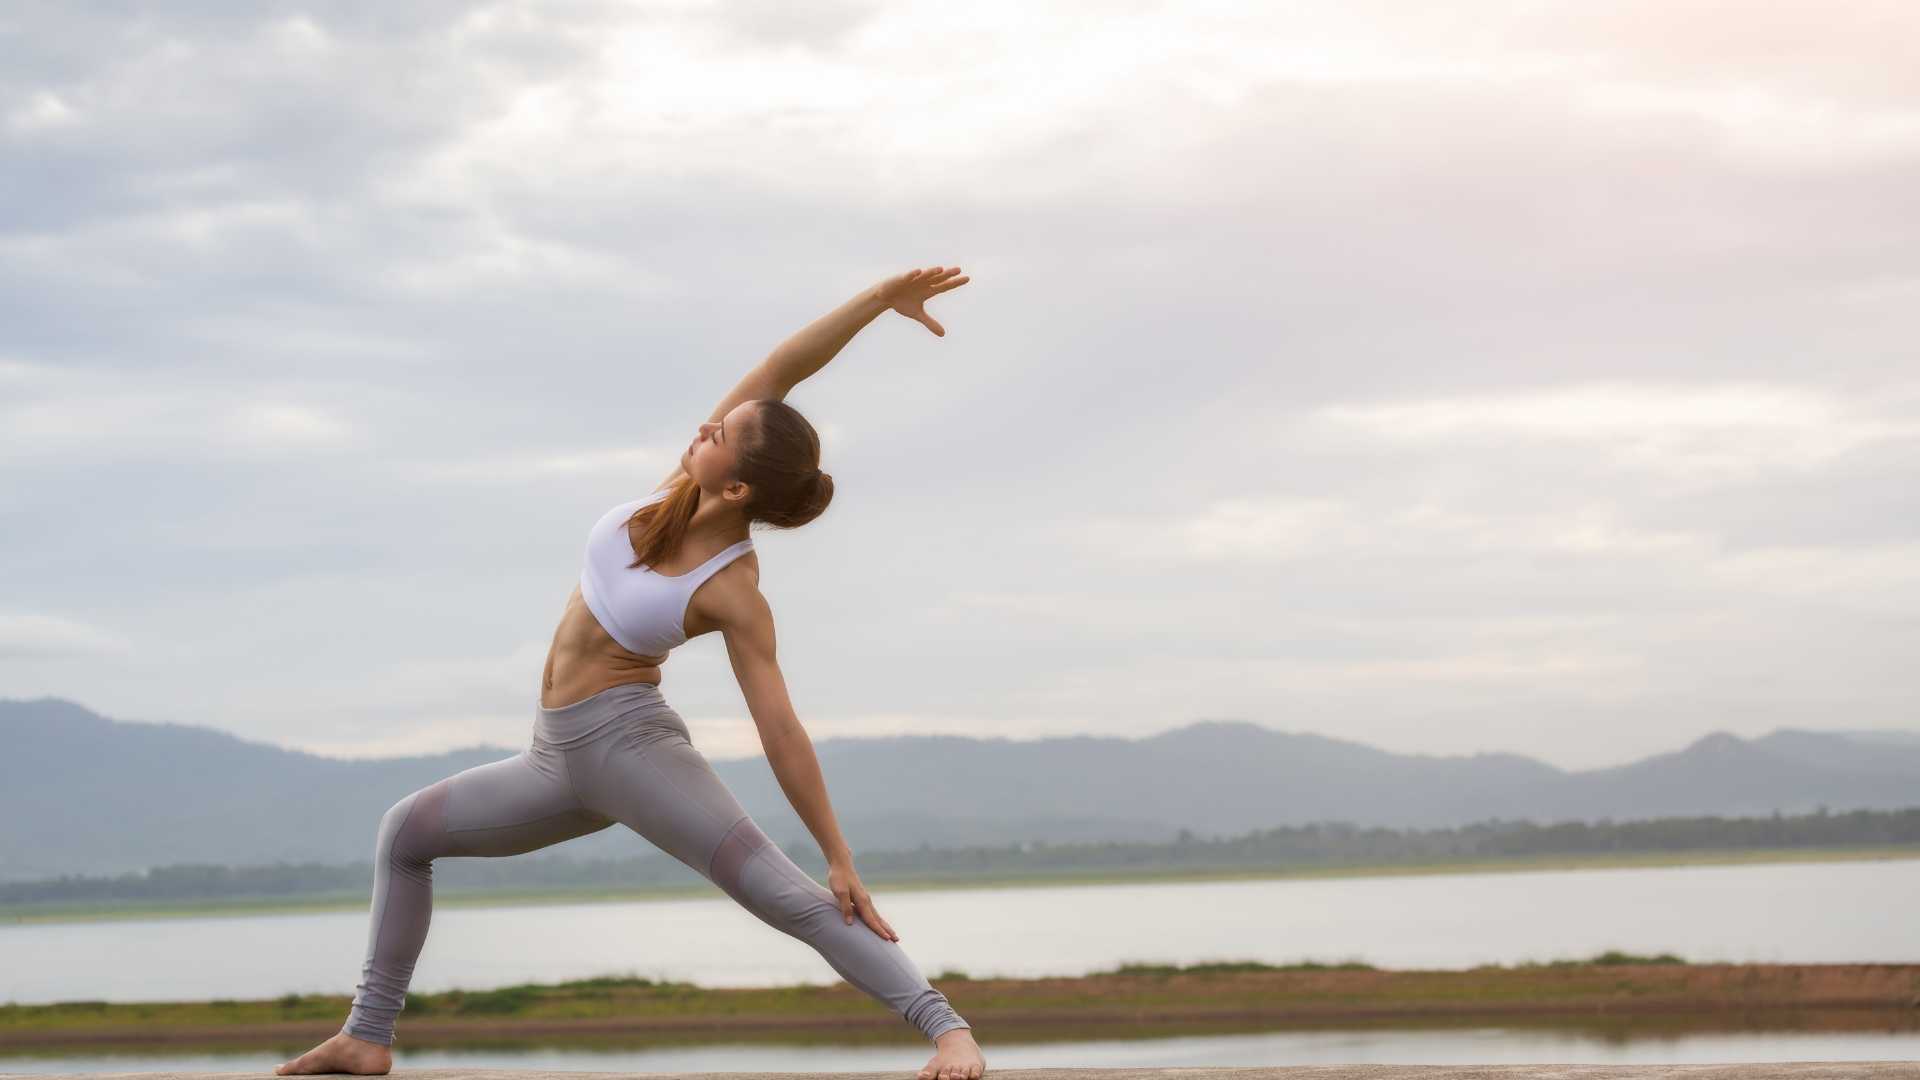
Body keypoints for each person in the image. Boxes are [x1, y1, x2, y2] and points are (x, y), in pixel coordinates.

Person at [274, 266, 984, 1080]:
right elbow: (785, 367)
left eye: (719, 434)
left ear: (740, 485)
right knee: (404, 834)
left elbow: (779, 729)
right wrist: (874, 302)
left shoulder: (732, 591)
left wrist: (840, 855)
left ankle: (948, 1030)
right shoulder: (677, 492)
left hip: (632, 753)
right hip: (553, 759)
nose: (704, 427)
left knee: (788, 897)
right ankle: (367, 1038)